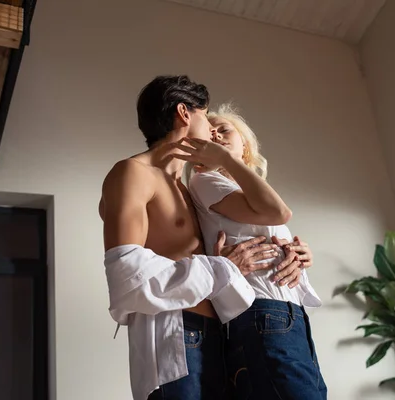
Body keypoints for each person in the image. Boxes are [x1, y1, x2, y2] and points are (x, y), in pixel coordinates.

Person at [99, 76, 305, 400]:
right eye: (206, 117)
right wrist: (221, 266)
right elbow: (126, 275)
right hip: (174, 338)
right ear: (184, 113)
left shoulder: (189, 190)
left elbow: (261, 223)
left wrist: (292, 251)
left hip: (221, 338)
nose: (212, 130)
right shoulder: (132, 173)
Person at [177, 103, 327, 399]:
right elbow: (280, 212)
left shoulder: (242, 190)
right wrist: (225, 160)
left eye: (225, 130)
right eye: (211, 132)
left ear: (244, 141)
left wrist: (300, 254)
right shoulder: (204, 180)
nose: (217, 135)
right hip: (262, 313)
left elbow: (276, 226)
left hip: (288, 315)